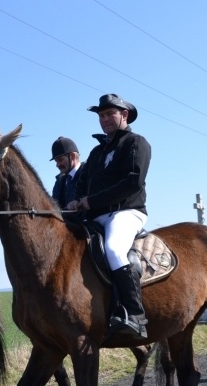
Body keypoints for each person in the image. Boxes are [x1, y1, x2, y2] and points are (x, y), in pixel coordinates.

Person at [67, 94, 151, 340]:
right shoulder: (96, 152)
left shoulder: (136, 143)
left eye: (109, 114)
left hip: (126, 212)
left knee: (114, 250)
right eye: (101, 116)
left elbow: (134, 182)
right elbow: (82, 183)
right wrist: (76, 200)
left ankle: (135, 315)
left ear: (124, 115)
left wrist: (90, 201)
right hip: (96, 216)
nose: (104, 120)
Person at [50, 136, 84, 208]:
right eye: (56, 161)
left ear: (72, 156)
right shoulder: (59, 181)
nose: (57, 165)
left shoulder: (88, 173)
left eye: (60, 160)